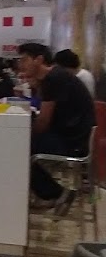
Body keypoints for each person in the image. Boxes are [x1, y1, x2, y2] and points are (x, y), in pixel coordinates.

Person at [18, 43, 96, 211]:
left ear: (39, 60)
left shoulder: (55, 78)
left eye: (24, 60)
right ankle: (49, 193)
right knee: (19, 144)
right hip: (72, 135)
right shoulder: (54, 76)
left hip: (72, 141)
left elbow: (43, 122)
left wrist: (24, 134)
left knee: (17, 149)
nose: (20, 65)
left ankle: (54, 194)